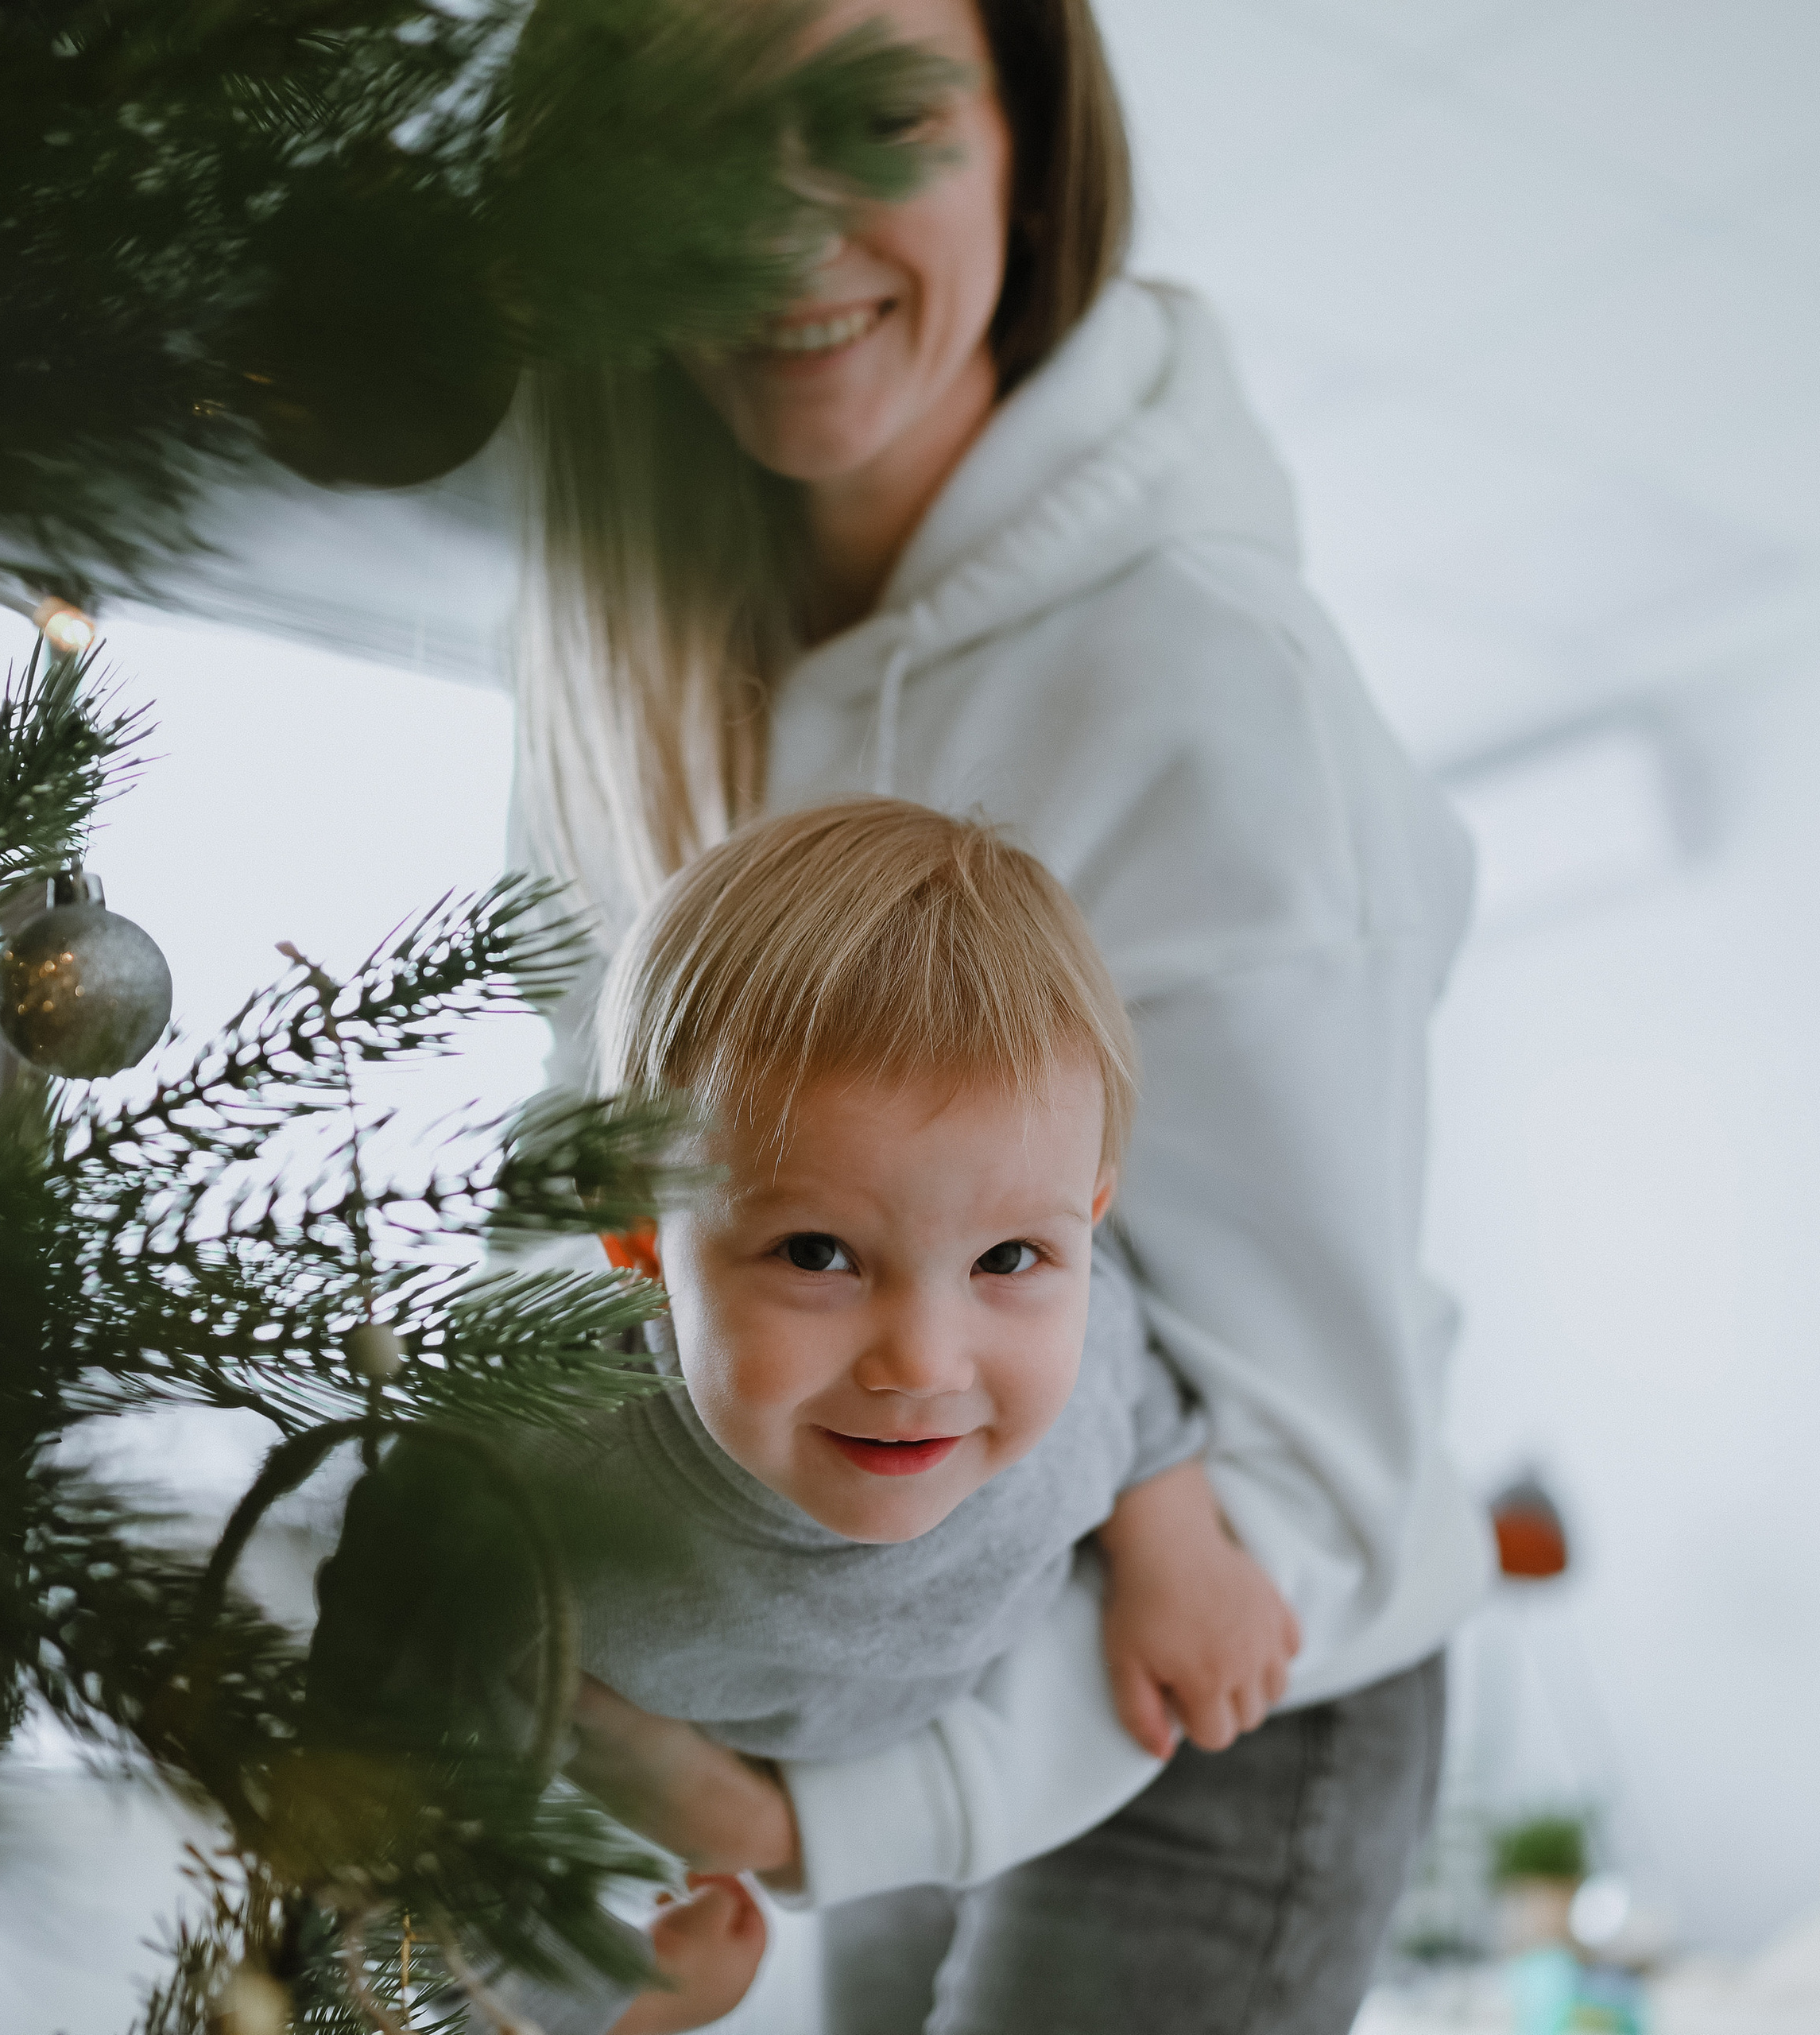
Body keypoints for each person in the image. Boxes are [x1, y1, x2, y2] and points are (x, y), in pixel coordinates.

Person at [500, 0, 1493, 2026]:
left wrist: (811, 1815)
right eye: (690, 142)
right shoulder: (624, 685)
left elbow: (1310, 1454)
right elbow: (587, 1219)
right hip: (861, 1634)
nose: (777, 236)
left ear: (1031, 152)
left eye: (872, 113)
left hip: (1205, 1680)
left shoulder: (1205, 680)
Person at [486, 798, 1296, 2033]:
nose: (925, 1362)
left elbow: (1126, 1382)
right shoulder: (543, 1482)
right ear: (641, 1237)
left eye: (1010, 1258)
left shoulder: (1080, 1359)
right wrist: (592, 1995)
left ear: (1087, 1221)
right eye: (818, 1253)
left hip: (908, 1765)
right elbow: (396, 1765)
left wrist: (1175, 1546)